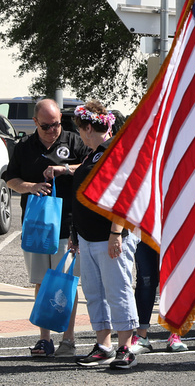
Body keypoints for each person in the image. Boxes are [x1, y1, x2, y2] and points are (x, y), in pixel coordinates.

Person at [56, 101, 140, 369]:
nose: (79, 134)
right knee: (94, 293)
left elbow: (124, 195)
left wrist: (116, 231)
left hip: (109, 237)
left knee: (118, 291)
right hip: (89, 237)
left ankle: (126, 346)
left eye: (80, 129)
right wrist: (74, 231)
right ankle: (103, 345)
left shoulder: (114, 152)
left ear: (89, 127)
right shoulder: (93, 155)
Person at [4, 98, 90, 357]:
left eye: (56, 124)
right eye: (46, 126)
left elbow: (90, 167)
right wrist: (30, 187)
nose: (53, 130)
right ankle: (44, 340)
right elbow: (11, 179)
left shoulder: (74, 142)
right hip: (37, 226)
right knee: (41, 282)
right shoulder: (24, 147)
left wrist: (64, 169)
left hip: (67, 224)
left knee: (66, 283)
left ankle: (69, 339)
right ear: (35, 123)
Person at [130, 240, 189, 354]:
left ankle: (175, 334)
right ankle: (141, 336)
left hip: (171, 226)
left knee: (174, 277)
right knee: (145, 279)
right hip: (145, 228)